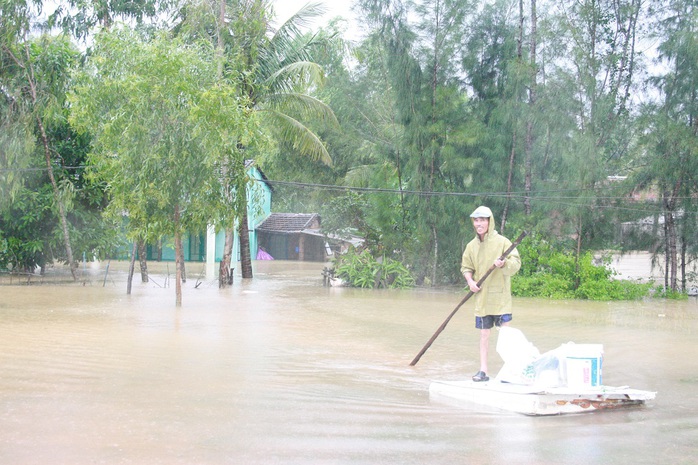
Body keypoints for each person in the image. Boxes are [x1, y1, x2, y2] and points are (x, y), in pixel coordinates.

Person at [460, 206, 521, 382]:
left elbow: (515, 263)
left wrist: (503, 265)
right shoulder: (471, 246)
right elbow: (466, 267)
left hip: (501, 297)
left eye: (483, 220)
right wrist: (470, 282)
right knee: (484, 334)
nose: (479, 224)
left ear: (490, 221)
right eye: (476, 220)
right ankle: (483, 370)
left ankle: (510, 370)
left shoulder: (503, 242)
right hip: (482, 298)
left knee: (506, 334)